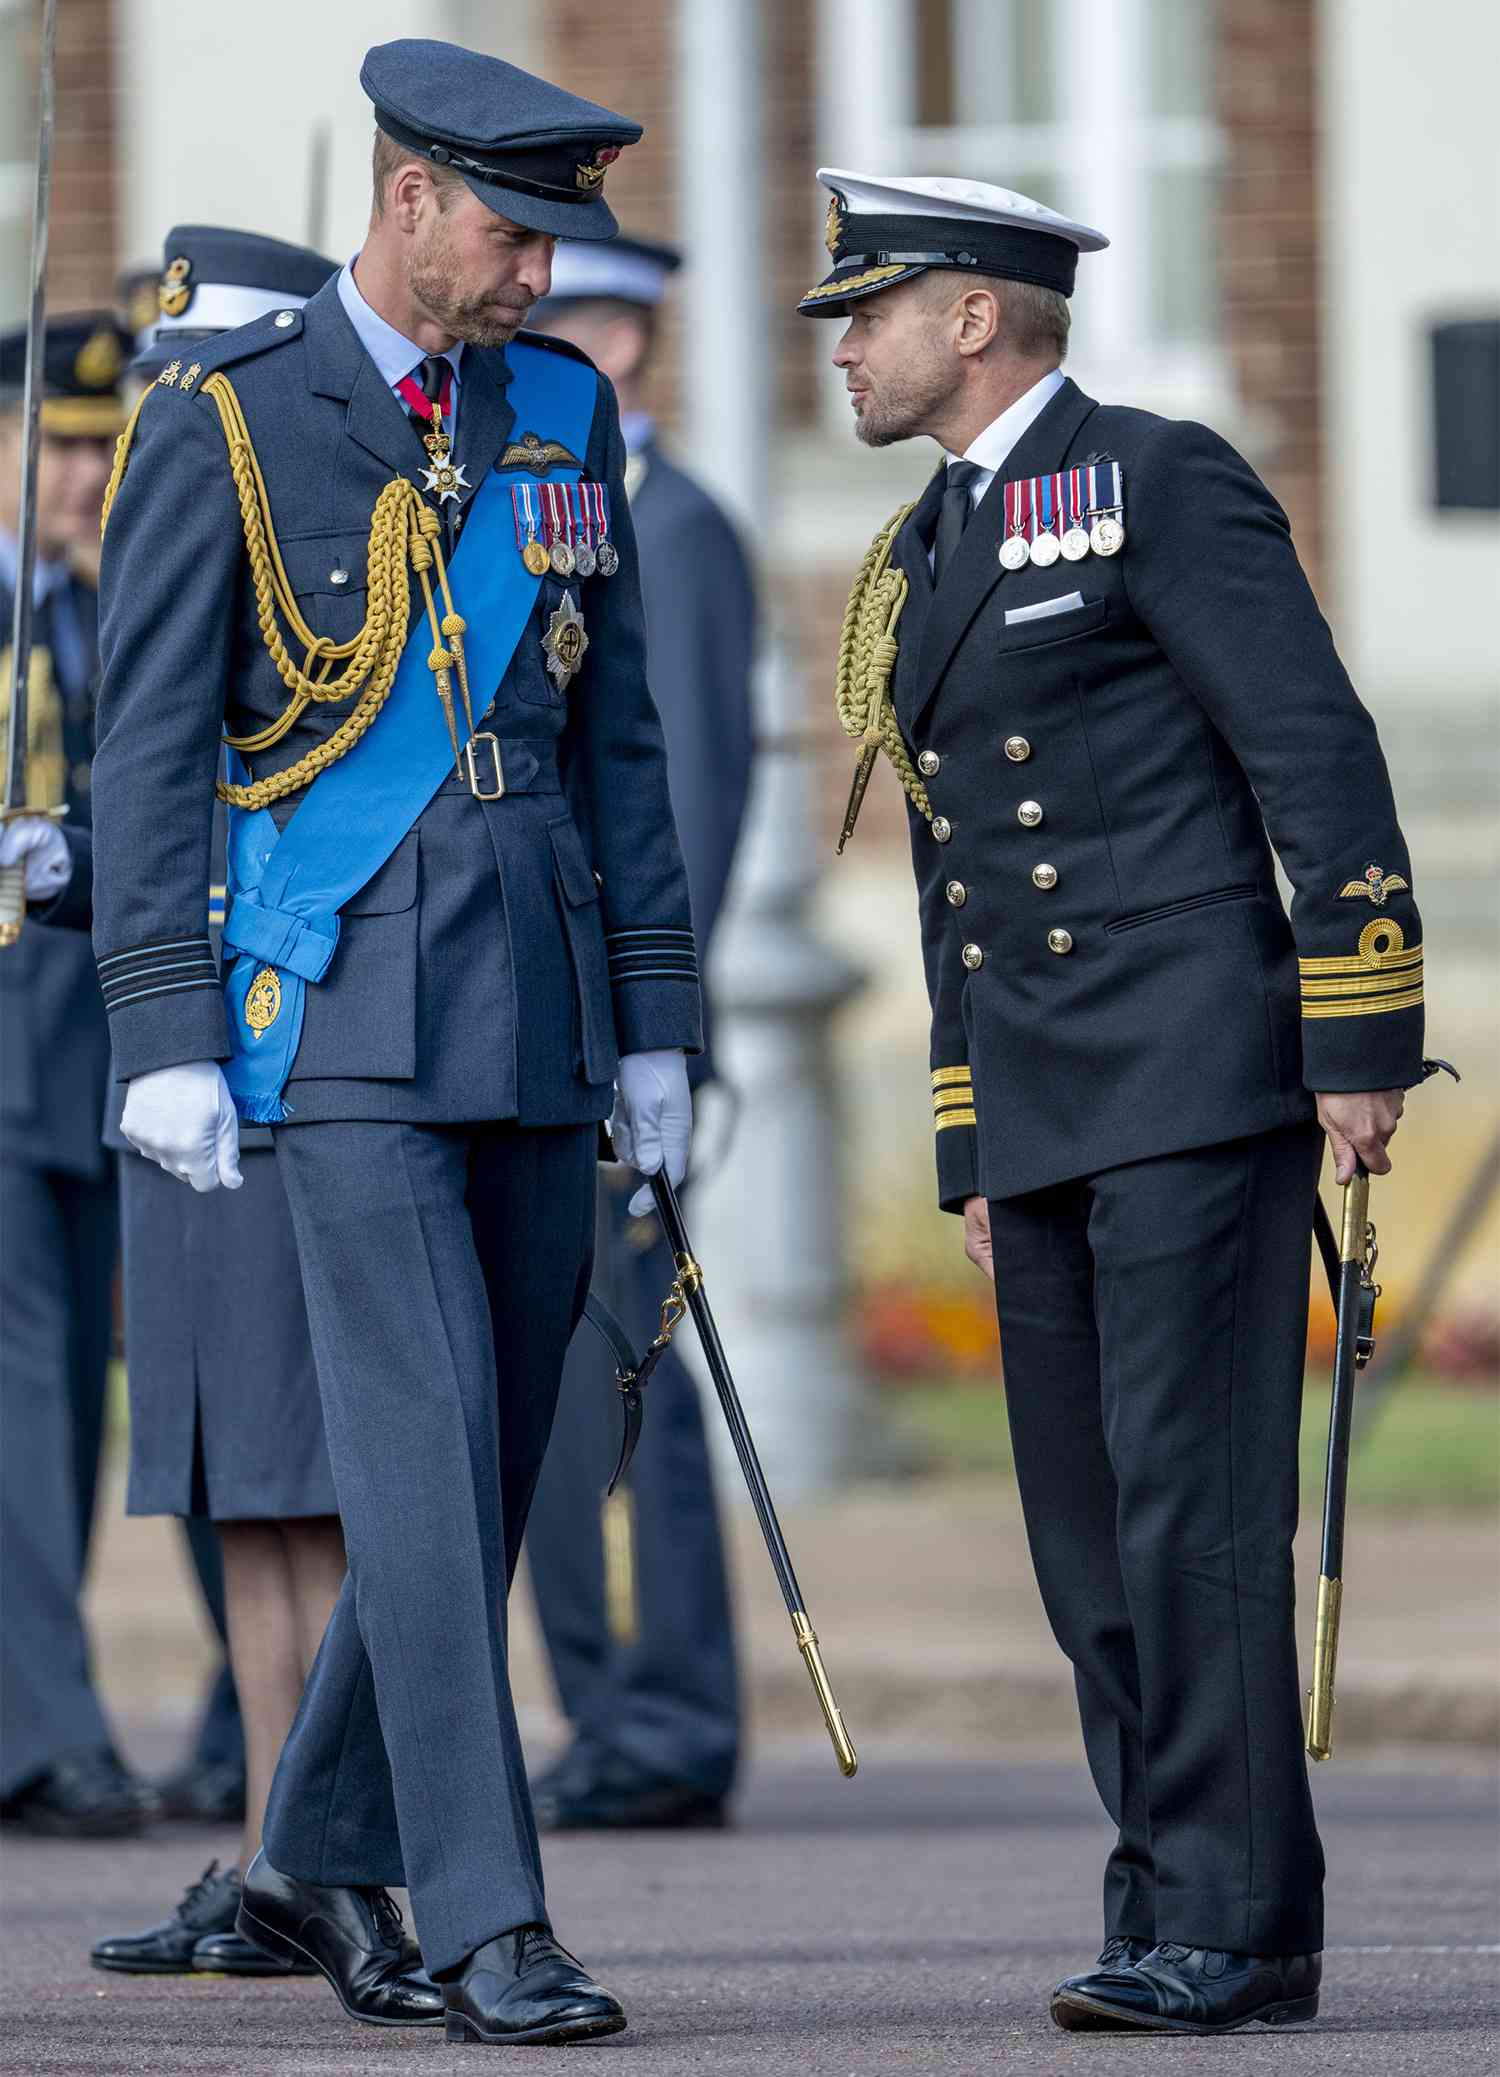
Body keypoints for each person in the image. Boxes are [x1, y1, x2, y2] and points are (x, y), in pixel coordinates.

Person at [90, 38, 700, 2048]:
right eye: (518, 236)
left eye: (557, 244)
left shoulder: (562, 416)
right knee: (419, 1456)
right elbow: (153, 749)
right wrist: (165, 1029)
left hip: (541, 1005)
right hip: (339, 1008)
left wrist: (668, 1023)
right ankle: (490, 1919)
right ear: (412, 199)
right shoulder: (234, 427)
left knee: (499, 1459)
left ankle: (301, 1855)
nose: (543, 277)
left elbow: (619, 744)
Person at [802, 169, 1429, 2036]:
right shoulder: (918, 552)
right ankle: (1174, 1888)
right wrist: (967, 1131)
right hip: (1045, 1097)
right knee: (1082, 1538)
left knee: (1195, 1514)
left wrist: (1361, 1038)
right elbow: (948, 873)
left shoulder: (1159, 479)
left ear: (977, 314)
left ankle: (1231, 1923)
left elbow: (1313, 748)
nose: (843, 346)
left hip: (1191, 1070)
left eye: (871, 309)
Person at [87, 227, 345, 1981]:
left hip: (289, 1027)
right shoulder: (199, 480)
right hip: (188, 1032)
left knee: (318, 1487)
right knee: (245, 1486)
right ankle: (275, 1845)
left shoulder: (311, 494)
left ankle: (337, 1844)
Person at [523, 234, 751, 1833]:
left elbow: (696, 795)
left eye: (595, 328)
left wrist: (647, 1021)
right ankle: (605, 1699)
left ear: (639, 344)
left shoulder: (676, 524)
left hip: (629, 1027)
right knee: (559, 1378)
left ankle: (665, 1708)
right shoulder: (559, 511)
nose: (574, 355)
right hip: (548, 1019)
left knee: (636, 1378)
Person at [0, 311, 159, 1838]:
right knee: (22, 1396)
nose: (81, 473)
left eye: (103, 448)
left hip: (89, 1054)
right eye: (54, 442)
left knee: (71, 1415)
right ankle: (45, 1734)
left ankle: (38, 1718)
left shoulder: (96, 610)